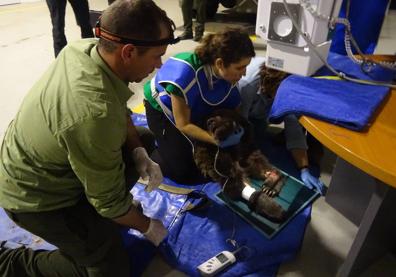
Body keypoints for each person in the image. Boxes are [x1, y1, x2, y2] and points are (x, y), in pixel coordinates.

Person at [0, 0, 179, 276]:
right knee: (109, 268)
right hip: (34, 197)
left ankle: (95, 211)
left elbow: (118, 108)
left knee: (141, 140)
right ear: (129, 52)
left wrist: (138, 153)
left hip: (45, 160)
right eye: (156, 56)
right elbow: (108, 202)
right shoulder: (94, 113)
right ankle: (12, 263)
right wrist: (146, 225)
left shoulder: (82, 49)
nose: (158, 66)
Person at [144, 27, 255, 184]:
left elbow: (233, 110)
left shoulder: (226, 76)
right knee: (185, 173)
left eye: (246, 67)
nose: (243, 73)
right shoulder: (185, 75)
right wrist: (217, 141)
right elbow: (183, 124)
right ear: (220, 63)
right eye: (239, 67)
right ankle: (149, 147)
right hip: (163, 110)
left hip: (194, 106)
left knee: (219, 159)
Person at [238, 56, 326, 195]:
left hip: (260, 110)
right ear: (268, 88)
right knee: (242, 144)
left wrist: (304, 168)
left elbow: (294, 131)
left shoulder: (286, 92)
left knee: (260, 133)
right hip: (243, 109)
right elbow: (240, 123)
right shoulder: (246, 85)